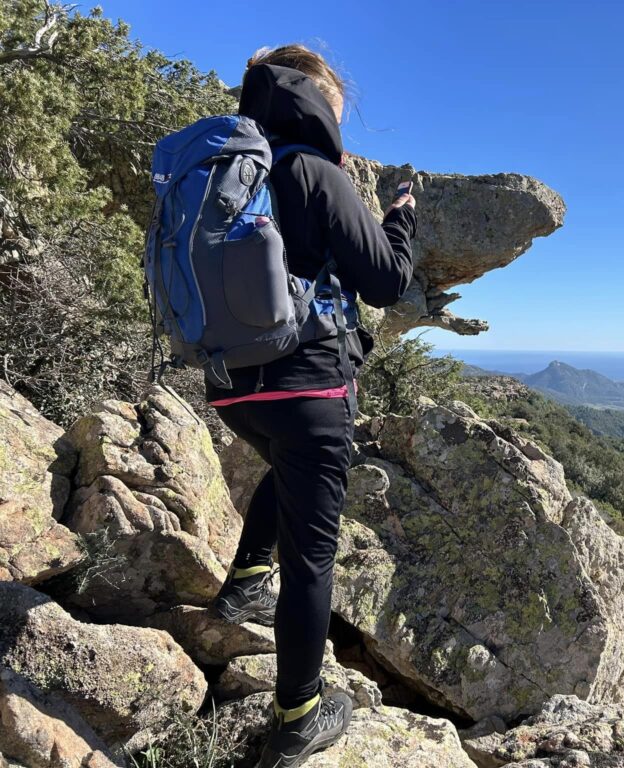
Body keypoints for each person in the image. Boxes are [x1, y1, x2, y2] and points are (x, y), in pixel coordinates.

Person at [206, 45, 416, 768]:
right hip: (309, 387)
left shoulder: (226, 173)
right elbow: (385, 281)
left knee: (284, 472)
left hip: (233, 386)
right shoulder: (312, 170)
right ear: (316, 100)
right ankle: (299, 714)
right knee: (313, 556)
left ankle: (239, 589)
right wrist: (401, 220)